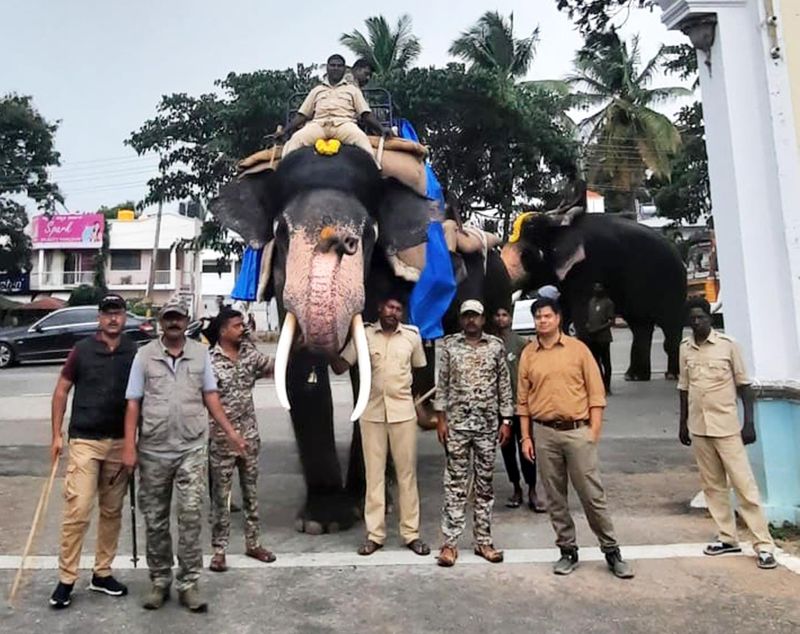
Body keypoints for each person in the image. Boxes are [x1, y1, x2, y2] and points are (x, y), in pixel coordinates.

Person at [122, 300, 247, 613]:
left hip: (191, 448)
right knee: (155, 520)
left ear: (186, 321)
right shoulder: (144, 356)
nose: (174, 323)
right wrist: (129, 446)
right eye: (169, 318)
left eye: (178, 318)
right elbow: (133, 403)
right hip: (153, 450)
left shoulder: (200, 354)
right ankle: (160, 581)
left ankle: (189, 583)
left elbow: (210, 397)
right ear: (161, 323)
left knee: (190, 517)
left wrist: (231, 433)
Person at [518, 297, 634, 578]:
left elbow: (596, 393)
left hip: (577, 431)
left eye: (547, 316)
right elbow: (522, 401)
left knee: (592, 495)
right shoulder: (528, 354)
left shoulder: (578, 350)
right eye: (538, 317)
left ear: (558, 319)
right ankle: (567, 550)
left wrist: (593, 432)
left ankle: (612, 551)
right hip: (544, 433)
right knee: (555, 498)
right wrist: (526, 437)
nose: (542, 321)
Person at [49, 294, 137, 609]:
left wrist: (133, 443)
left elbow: (139, 399)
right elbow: (61, 390)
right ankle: (66, 578)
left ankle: (102, 573)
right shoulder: (82, 350)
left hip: (119, 443)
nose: (113, 319)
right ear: (99, 318)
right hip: (85, 440)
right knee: (78, 509)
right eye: (108, 313)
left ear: (125, 316)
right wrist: (56, 435)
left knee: (112, 512)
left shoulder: (133, 351)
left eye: (118, 313)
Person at [678, 297, 777, 569]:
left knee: (744, 485)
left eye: (701, 317)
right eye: (693, 318)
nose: (697, 322)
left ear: (710, 319)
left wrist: (749, 423)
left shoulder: (728, 346)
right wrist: (683, 423)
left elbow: (744, 386)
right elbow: (684, 388)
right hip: (700, 428)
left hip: (727, 427)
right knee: (712, 486)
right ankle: (727, 538)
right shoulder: (685, 348)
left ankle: (764, 544)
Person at [332, 295, 430, 557]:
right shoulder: (363, 335)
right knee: (374, 476)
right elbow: (341, 366)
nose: (393, 312)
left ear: (402, 313)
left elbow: (420, 370)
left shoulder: (412, 336)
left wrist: (419, 405)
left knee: (406, 476)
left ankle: (411, 534)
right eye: (389, 306)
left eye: (398, 308)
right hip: (372, 414)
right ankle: (375, 535)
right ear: (379, 308)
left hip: (403, 415)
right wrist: (327, 345)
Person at [433, 300, 514, 567]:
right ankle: (450, 544)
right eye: (466, 316)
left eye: (475, 316)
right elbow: (442, 384)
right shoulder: (449, 346)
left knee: (484, 486)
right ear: (461, 319)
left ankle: (483, 540)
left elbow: (504, 384)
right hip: (457, 426)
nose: (471, 321)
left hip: (488, 426)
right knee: (455, 484)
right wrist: (441, 418)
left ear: (482, 319)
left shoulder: (495, 346)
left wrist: (507, 420)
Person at [208, 308, 276, 572]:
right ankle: (219, 550)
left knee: (251, 494)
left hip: (248, 438)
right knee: (221, 498)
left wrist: (297, 346)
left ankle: (254, 543)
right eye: (237, 326)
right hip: (222, 442)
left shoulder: (249, 355)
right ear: (223, 331)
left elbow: (274, 367)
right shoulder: (210, 361)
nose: (242, 329)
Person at [280, 54, 388, 160]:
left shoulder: (353, 90)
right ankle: (281, 174)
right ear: (327, 67)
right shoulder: (316, 90)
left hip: (344, 125)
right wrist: (285, 131)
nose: (336, 68)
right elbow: (302, 115)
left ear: (344, 69)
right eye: (333, 65)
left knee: (362, 140)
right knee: (295, 140)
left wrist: (381, 129)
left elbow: (365, 114)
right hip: (318, 125)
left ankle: (374, 171)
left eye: (339, 66)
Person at [491, 306, 545, 512]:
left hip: (521, 406)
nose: (501, 318)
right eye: (498, 314)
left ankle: (532, 489)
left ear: (511, 318)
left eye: (505, 314)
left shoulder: (522, 343)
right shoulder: (490, 343)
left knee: (527, 449)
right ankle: (516, 488)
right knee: (507, 450)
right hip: (500, 409)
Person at [584, 282, 615, 394]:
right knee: (595, 363)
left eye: (600, 287)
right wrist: (588, 326)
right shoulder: (591, 301)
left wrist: (599, 328)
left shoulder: (608, 303)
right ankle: (599, 384)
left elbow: (611, 321)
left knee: (606, 363)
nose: (597, 289)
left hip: (604, 337)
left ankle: (607, 387)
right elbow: (589, 317)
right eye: (595, 287)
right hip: (592, 337)